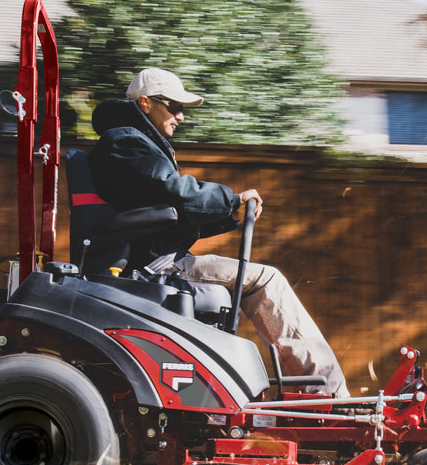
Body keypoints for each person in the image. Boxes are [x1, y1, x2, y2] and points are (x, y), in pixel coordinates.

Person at [86, 68, 348, 397]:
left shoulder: (132, 142)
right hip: (155, 265)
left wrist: (229, 211)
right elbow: (173, 191)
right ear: (145, 102)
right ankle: (329, 397)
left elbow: (171, 209)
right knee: (267, 281)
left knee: (251, 286)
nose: (180, 116)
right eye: (173, 106)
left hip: (158, 256)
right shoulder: (126, 141)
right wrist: (232, 200)